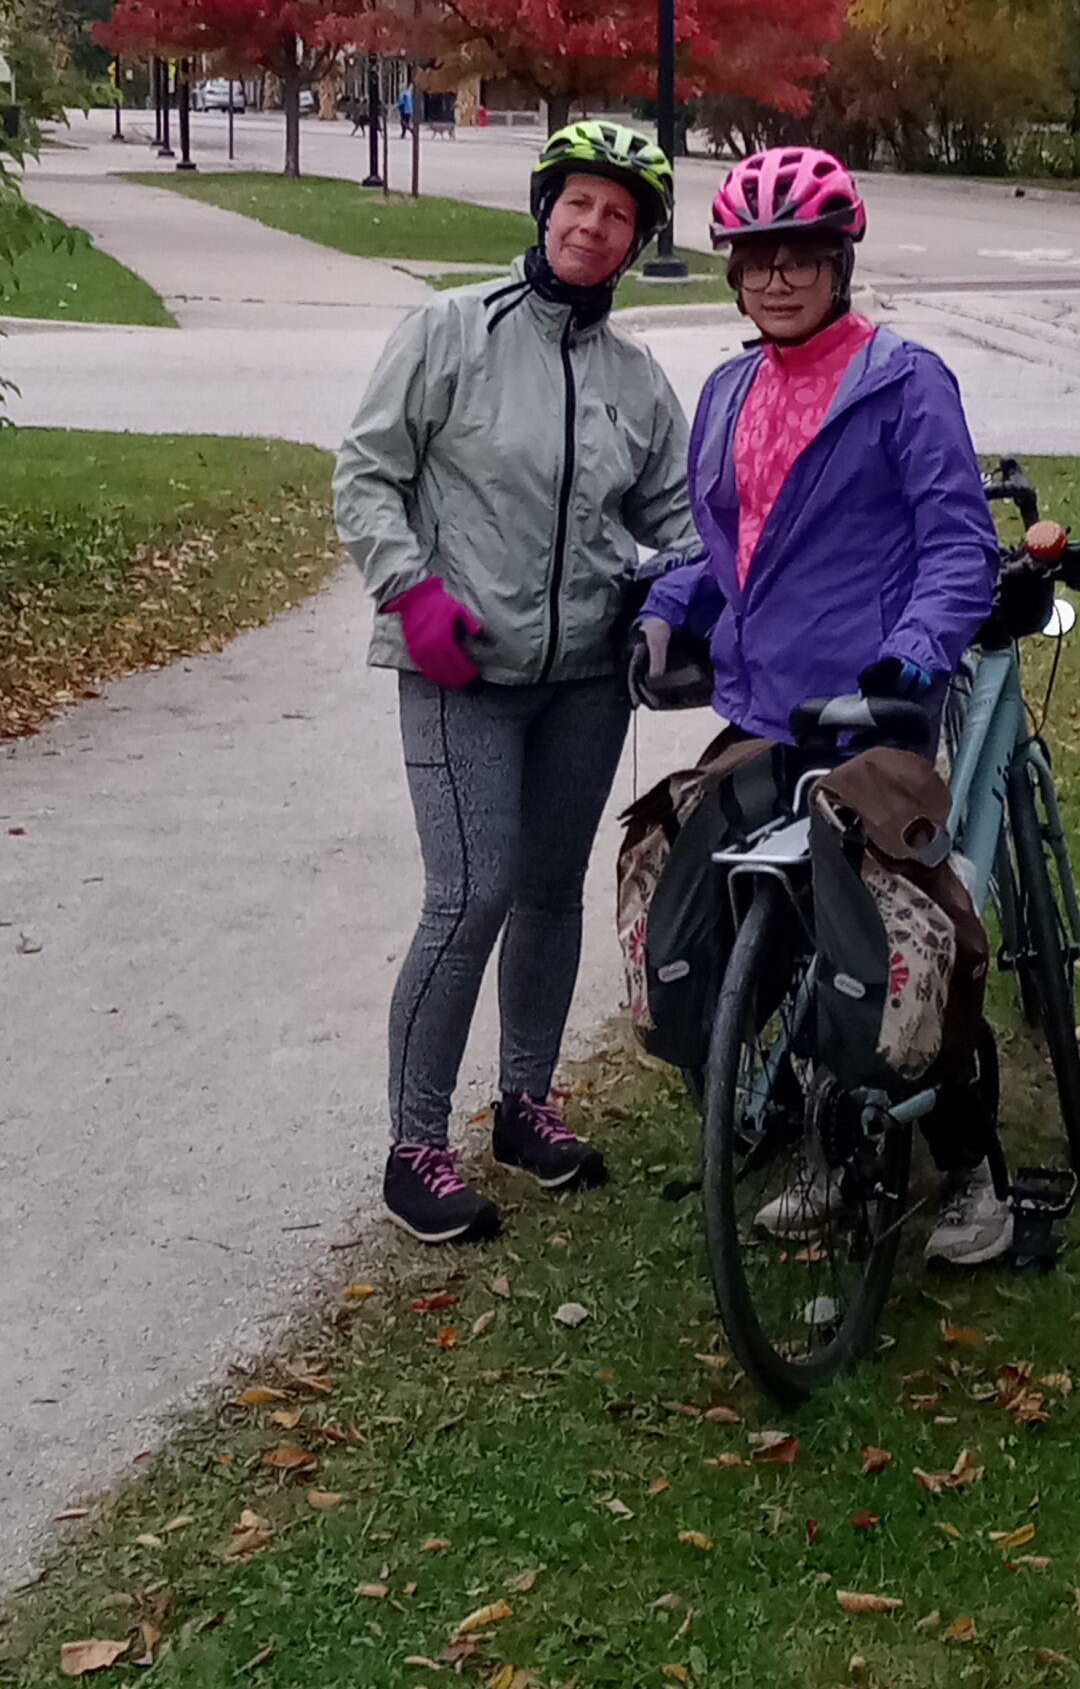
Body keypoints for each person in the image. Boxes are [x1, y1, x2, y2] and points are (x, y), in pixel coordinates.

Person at [636, 145, 1012, 1263]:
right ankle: (829, 1149)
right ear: (734, 276)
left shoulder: (903, 382)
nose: (780, 280)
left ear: (841, 263)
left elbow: (957, 546)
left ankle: (976, 1175)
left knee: (905, 938)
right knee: (724, 925)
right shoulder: (728, 390)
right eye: (758, 262)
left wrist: (910, 657)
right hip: (763, 702)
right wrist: (668, 609)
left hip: (872, 706)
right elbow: (729, 544)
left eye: (803, 258)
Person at [335, 118, 695, 1243]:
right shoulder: (451, 329)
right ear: (543, 208)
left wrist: (674, 601)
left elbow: (680, 518)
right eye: (578, 203)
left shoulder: (636, 378)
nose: (595, 226)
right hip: (460, 667)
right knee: (471, 891)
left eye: (620, 213)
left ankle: (526, 1105)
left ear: (638, 240)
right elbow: (367, 473)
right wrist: (410, 593)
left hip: (586, 675)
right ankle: (414, 1143)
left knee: (547, 891)